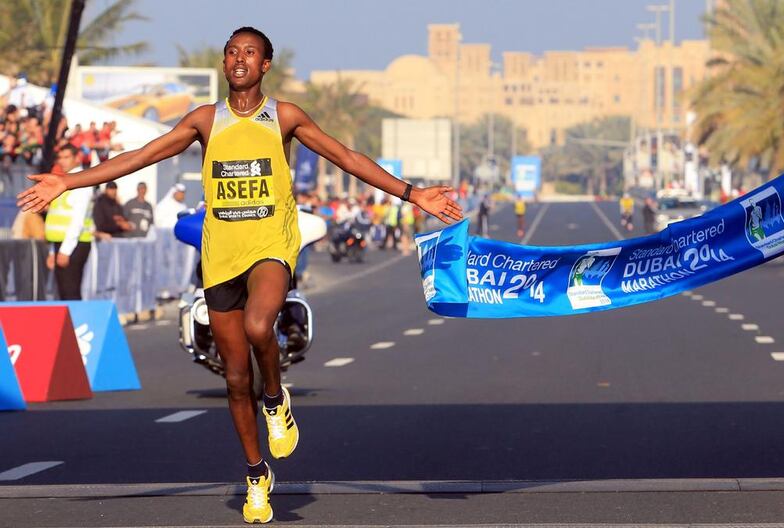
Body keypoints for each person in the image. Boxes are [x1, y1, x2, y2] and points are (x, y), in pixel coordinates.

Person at [17, 26, 462, 524]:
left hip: (271, 244)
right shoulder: (206, 120)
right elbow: (140, 156)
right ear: (225, 63)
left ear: (265, 64)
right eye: (232, 52)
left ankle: (275, 399)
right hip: (221, 253)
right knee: (233, 378)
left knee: (258, 326)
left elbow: (347, 158)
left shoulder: (285, 116)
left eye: (249, 52)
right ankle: (256, 475)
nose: (238, 59)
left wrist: (412, 193)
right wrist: (67, 182)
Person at [43, 145, 94, 300]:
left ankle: (76, 324)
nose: (62, 161)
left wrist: (65, 250)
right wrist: (53, 251)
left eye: (67, 157)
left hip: (75, 244)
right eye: (60, 158)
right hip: (61, 244)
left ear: (77, 157)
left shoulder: (80, 181)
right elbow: (56, 217)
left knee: (71, 292)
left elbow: (77, 220)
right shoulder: (62, 181)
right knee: (64, 293)